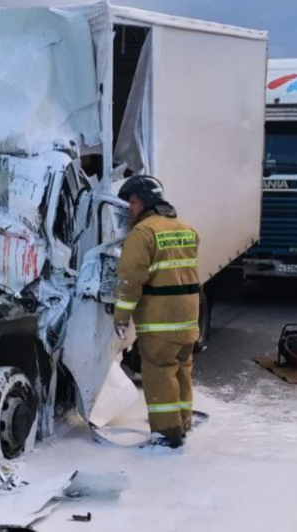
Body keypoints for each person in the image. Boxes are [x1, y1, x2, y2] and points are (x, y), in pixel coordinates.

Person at [113, 175, 200, 449]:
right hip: (188, 319)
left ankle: (167, 434)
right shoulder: (186, 228)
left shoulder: (142, 234)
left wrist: (121, 316)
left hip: (160, 322)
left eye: (133, 201)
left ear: (146, 202)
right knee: (182, 370)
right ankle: (182, 423)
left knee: (159, 373)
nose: (130, 208)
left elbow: (130, 279)